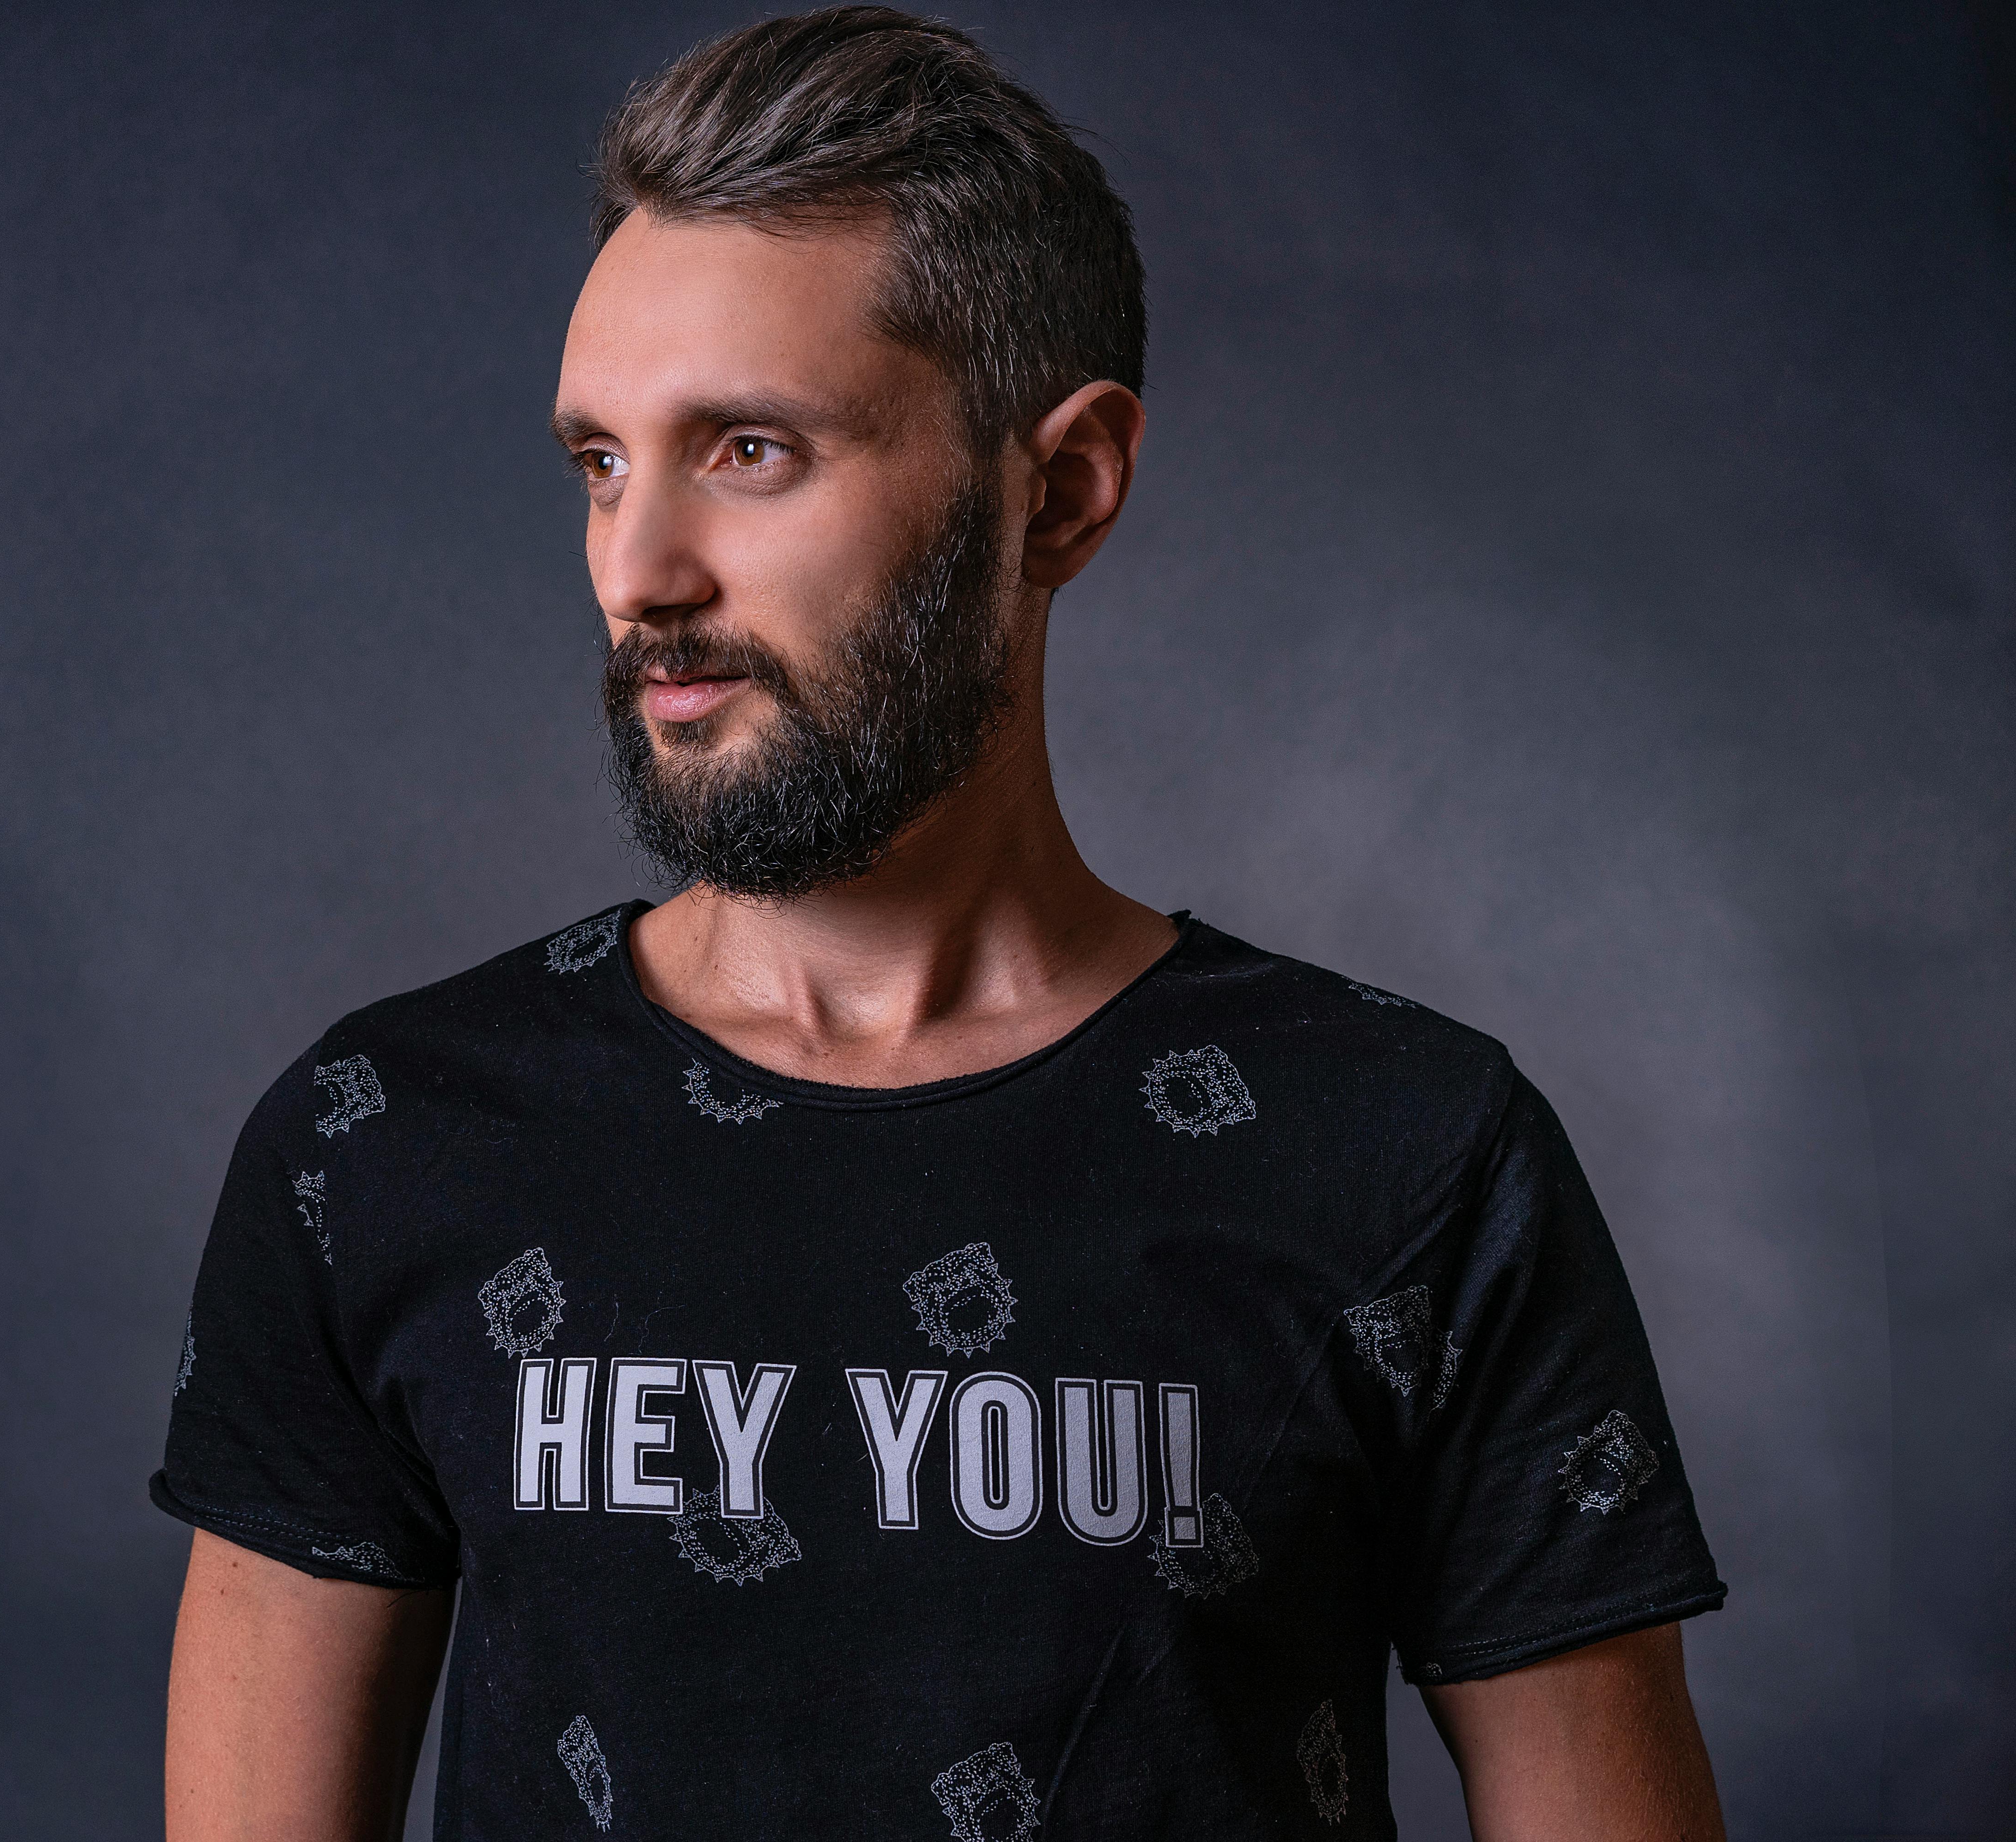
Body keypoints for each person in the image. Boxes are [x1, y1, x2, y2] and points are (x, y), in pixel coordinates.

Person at [151, 9, 1728, 1837]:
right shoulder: (383, 1139)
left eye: (749, 450)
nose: (640, 569)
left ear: (1059, 488)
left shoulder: (1410, 1157)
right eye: (601, 460)